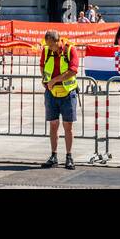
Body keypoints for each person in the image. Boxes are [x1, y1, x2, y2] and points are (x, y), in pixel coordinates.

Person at [40, 30, 79, 170]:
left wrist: (54, 80)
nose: (49, 48)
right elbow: (42, 65)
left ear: (58, 41)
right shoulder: (46, 50)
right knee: (53, 124)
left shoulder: (70, 49)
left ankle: (69, 156)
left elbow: (73, 71)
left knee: (68, 126)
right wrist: (45, 80)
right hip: (51, 93)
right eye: (48, 45)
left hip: (68, 93)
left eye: (51, 45)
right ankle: (53, 156)